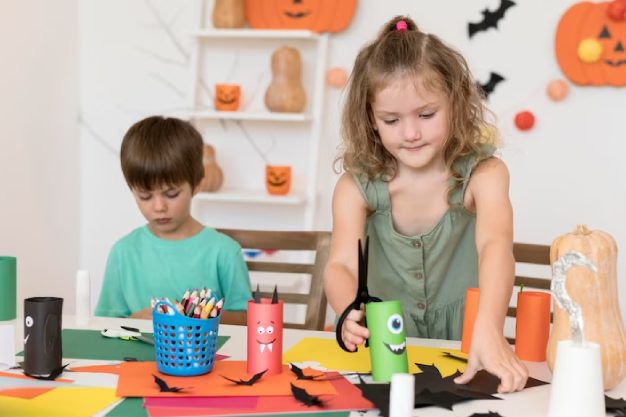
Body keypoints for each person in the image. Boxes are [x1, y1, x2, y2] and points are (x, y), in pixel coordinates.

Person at [323, 16, 528, 393]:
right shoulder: (355, 187)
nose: (411, 133)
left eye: (427, 114)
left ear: (456, 101)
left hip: (463, 343)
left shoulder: (485, 174)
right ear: (370, 120)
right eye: (391, 120)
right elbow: (339, 264)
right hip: (386, 348)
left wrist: (489, 326)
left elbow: (495, 246)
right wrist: (348, 307)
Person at [95, 116, 252, 322]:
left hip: (205, 353)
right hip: (138, 354)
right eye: (145, 196)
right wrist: (135, 320)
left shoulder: (223, 251)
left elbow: (249, 320)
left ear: (196, 185)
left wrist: (193, 317)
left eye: (171, 194)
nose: (159, 207)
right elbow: (104, 325)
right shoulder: (123, 252)